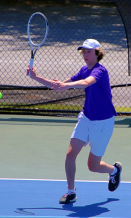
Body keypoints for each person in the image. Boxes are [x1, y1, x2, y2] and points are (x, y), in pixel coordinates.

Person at [26, 39, 122, 204]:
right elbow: (59, 85)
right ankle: (71, 193)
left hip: (103, 123)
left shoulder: (100, 71)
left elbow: (86, 83)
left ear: (97, 53)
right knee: (70, 155)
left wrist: (66, 86)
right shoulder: (83, 70)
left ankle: (114, 170)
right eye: (83, 51)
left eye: (89, 51)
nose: (85, 54)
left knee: (93, 166)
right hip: (86, 118)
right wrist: (35, 77)